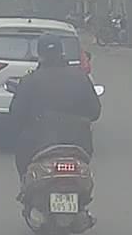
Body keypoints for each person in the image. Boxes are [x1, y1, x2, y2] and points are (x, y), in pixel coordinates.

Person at [9, 34, 102, 186]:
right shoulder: (81, 78)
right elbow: (95, 112)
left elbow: (16, 115)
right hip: (79, 145)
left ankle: (25, 187)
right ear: (61, 52)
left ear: (40, 54)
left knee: (24, 165)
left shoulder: (30, 80)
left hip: (39, 145)